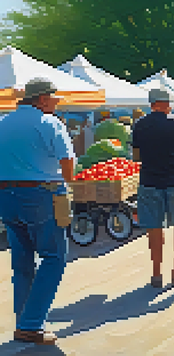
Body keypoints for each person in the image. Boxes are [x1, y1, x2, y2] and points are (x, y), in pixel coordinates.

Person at [0, 78, 74, 345]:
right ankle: (31, 325)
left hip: (5, 195)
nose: (55, 103)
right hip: (41, 194)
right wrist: (66, 181)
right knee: (54, 257)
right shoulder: (50, 122)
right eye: (53, 99)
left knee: (22, 262)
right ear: (42, 99)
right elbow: (67, 163)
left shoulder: (3, 122)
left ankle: (25, 318)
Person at [131, 89, 174, 289]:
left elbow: (136, 156)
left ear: (151, 104)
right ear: (167, 103)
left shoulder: (140, 125)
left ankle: (156, 273)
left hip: (150, 181)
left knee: (154, 229)